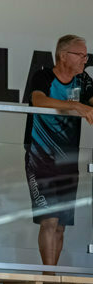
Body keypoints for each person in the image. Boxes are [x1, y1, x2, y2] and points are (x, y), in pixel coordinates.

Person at [23, 35, 92, 267]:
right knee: (49, 220)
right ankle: (48, 276)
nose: (85, 60)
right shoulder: (43, 75)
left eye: (86, 56)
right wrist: (75, 105)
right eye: (80, 55)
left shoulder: (83, 80)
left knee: (61, 225)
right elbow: (39, 100)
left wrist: (85, 106)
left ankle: (52, 277)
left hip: (68, 161)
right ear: (63, 55)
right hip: (40, 158)